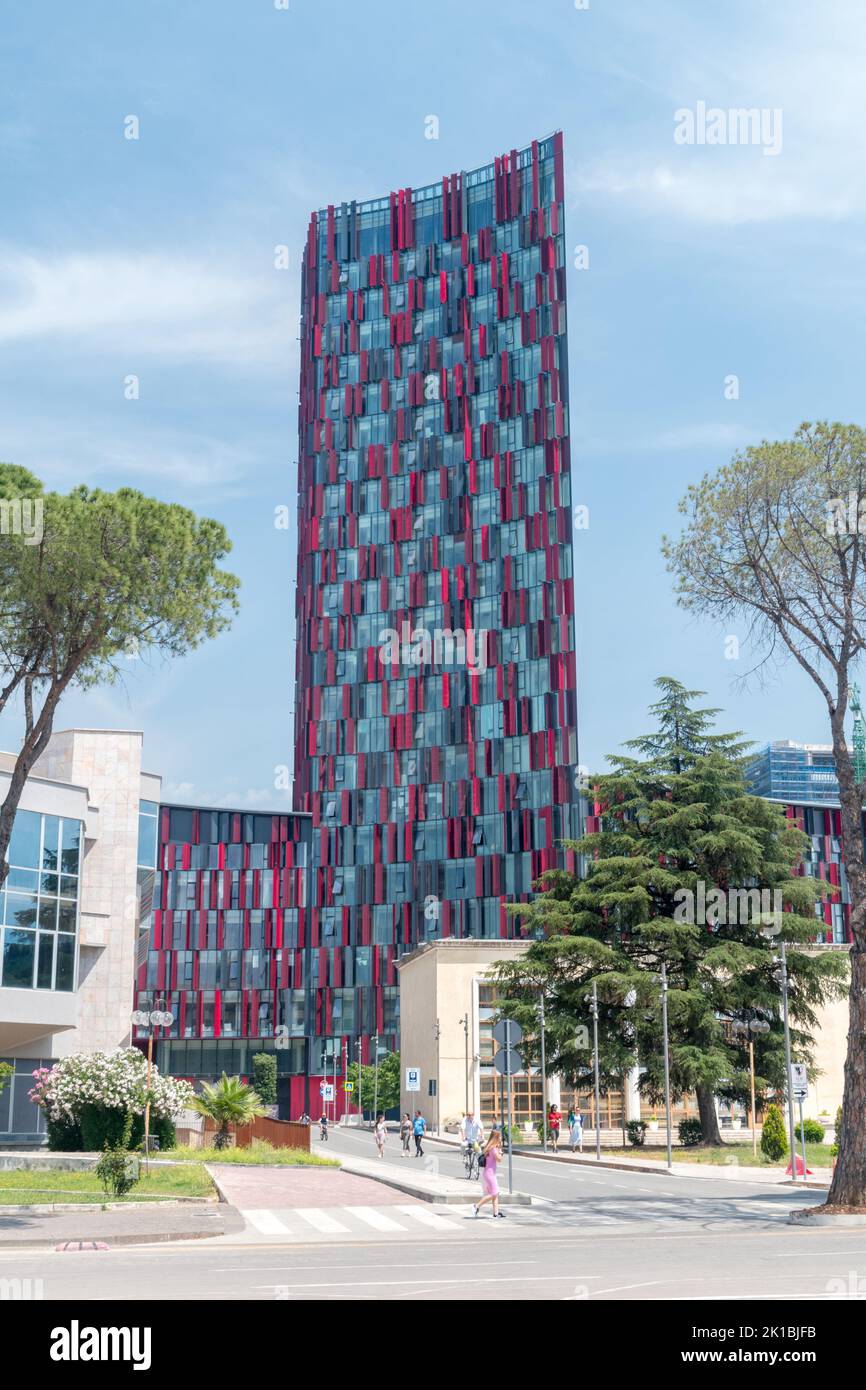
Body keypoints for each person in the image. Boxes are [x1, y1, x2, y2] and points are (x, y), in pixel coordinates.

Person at [474, 1128, 505, 1219]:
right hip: (490, 1174)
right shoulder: (493, 1149)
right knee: (495, 1193)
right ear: (496, 1137)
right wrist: (500, 1152)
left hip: (488, 1173)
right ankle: (476, 1206)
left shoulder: (490, 1147)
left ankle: (496, 1213)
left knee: (495, 1193)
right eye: (499, 1137)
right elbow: (499, 1159)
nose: (500, 1139)